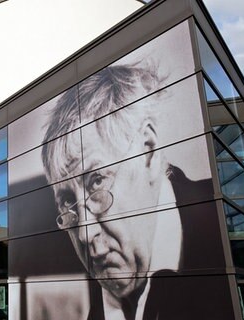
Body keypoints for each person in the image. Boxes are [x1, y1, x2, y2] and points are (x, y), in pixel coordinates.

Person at [40, 61, 218, 320]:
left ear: (148, 149)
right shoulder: (97, 307)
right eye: (67, 202)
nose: (85, 233)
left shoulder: (228, 222)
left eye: (97, 181)